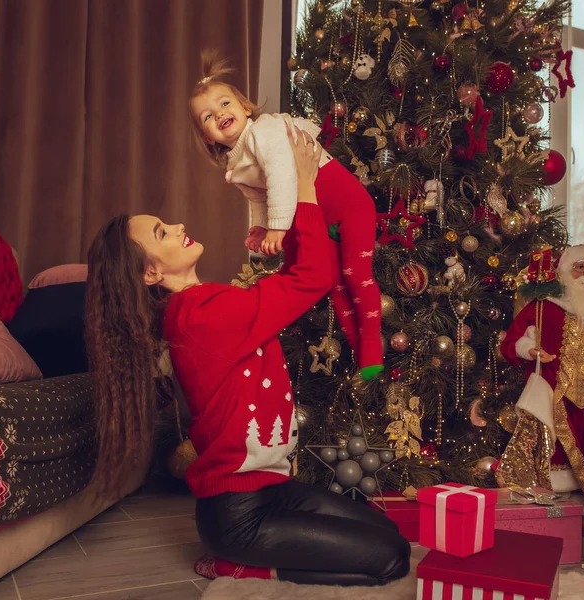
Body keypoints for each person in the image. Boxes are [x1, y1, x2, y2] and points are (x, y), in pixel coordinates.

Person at [84, 126, 410, 587]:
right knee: (391, 557)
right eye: (162, 232)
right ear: (151, 271)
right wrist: (301, 184)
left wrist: (290, 215)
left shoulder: (205, 304)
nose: (177, 226)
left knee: (386, 531)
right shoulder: (199, 316)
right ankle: (240, 564)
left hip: (273, 490)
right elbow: (310, 279)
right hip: (240, 515)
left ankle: (250, 554)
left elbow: (299, 273)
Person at [188, 51, 383, 381]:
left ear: (245, 107)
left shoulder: (263, 132)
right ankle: (357, 349)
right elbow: (259, 195)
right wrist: (261, 228)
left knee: (356, 275)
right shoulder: (236, 162)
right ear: (208, 136)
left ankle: (372, 350)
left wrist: (278, 228)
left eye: (224, 104)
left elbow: (281, 175)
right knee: (335, 283)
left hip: (349, 204)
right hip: (322, 216)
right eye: (207, 116)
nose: (218, 114)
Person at [497, 245, 584, 494]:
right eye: (580, 268)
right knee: (557, 449)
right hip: (556, 394)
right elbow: (512, 342)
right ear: (564, 271)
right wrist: (530, 349)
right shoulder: (545, 306)